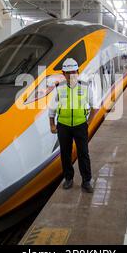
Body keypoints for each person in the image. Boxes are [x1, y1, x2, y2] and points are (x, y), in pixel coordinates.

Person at [49, 58, 94, 192]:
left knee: (83, 154)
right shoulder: (59, 89)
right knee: (65, 154)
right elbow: (51, 109)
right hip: (63, 126)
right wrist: (52, 125)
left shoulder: (85, 87)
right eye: (67, 73)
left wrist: (88, 122)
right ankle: (68, 179)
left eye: (73, 72)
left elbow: (94, 106)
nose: (70, 75)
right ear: (63, 73)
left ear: (78, 72)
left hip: (80, 125)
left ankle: (86, 181)